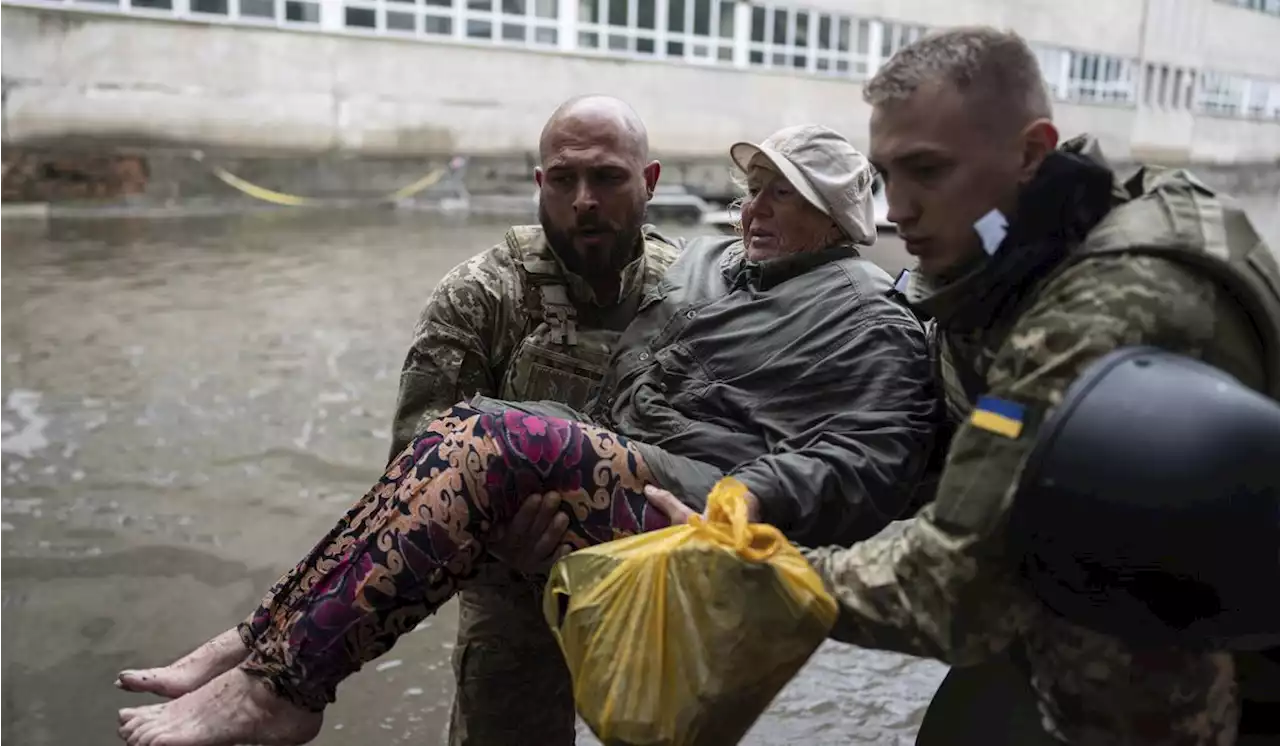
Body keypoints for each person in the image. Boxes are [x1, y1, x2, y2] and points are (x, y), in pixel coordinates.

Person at [114, 123, 940, 746]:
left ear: (835, 219)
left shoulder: (870, 315)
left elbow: (872, 464)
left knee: (502, 442)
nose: (753, 209)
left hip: (688, 511)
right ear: (540, 182)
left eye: (782, 195)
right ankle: (262, 642)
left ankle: (283, 690)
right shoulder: (704, 266)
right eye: (751, 189)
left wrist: (743, 499)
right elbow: (415, 453)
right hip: (576, 504)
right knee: (474, 428)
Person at [650, 26, 1280, 746]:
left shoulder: (1109, 310)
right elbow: (932, 450)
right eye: (889, 175)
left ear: (1032, 152)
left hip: (1187, 659)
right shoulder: (1003, 254)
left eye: (929, 171)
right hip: (1078, 593)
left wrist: (746, 566)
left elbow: (952, 586)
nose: (899, 209)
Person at [112, 93, 683, 746]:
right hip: (514, 598)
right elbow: (411, 483)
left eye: (606, 177)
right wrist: (504, 544)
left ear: (650, 181)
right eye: (563, 179)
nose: (583, 199)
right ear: (539, 183)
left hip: (646, 579)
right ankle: (263, 654)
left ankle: (261, 658)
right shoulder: (480, 296)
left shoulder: (695, 297)